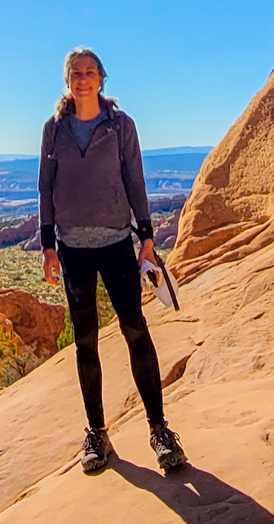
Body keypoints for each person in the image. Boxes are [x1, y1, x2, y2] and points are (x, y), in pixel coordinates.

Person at [39, 47, 188, 476]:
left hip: (117, 242)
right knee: (85, 341)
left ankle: (159, 430)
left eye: (90, 73)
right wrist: (48, 245)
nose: (83, 79)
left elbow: (134, 179)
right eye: (76, 74)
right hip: (71, 247)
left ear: (102, 79)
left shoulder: (120, 125)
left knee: (135, 330)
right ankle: (97, 433)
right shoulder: (55, 129)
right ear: (67, 81)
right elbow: (45, 187)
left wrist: (146, 236)